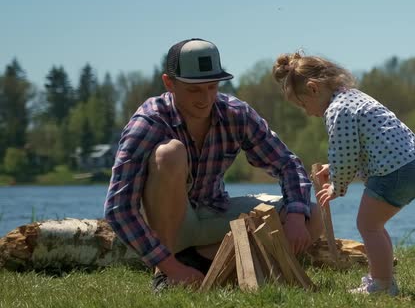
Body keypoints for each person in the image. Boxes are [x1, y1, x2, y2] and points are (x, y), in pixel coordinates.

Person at [104, 38, 323, 293]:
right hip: (168, 223)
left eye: (211, 87)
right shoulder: (149, 122)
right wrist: (168, 265)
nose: (205, 98)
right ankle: (166, 273)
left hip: (214, 212)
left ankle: (205, 263)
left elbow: (287, 164)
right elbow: (118, 209)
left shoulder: (235, 113)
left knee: (311, 213)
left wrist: (296, 216)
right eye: (194, 90)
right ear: (169, 83)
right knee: (170, 153)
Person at [272, 51, 415, 296]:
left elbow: (344, 153)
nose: (307, 112)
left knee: (368, 225)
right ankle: (384, 281)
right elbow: (357, 150)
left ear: (313, 89)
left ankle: (382, 285)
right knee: (374, 225)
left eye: (303, 104)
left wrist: (337, 185)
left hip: (395, 171)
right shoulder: (352, 98)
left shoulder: (338, 110)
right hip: (413, 166)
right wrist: (333, 169)